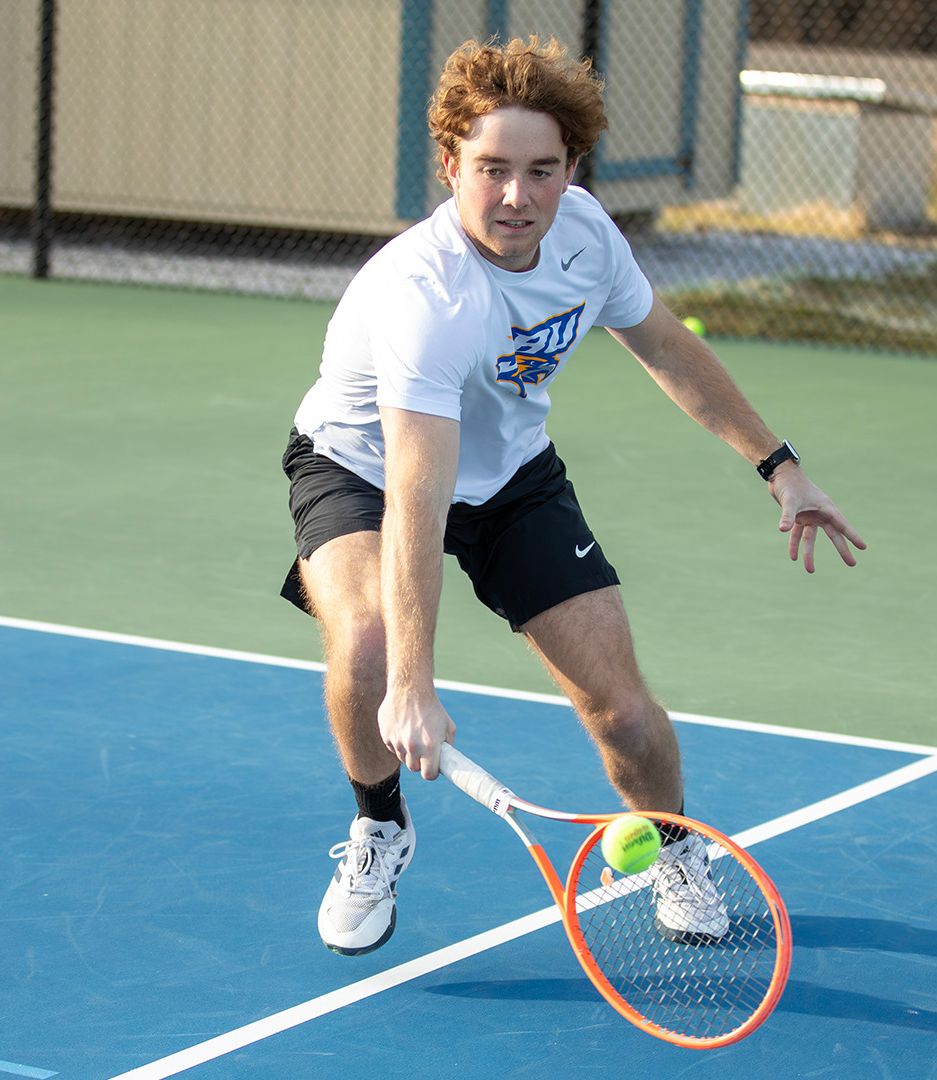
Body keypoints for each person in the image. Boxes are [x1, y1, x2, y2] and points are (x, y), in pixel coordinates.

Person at [280, 37, 864, 956]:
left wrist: (779, 466)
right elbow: (419, 497)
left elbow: (668, 348)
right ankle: (378, 825)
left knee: (623, 711)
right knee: (365, 646)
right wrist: (413, 688)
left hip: (512, 475)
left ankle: (678, 851)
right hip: (364, 468)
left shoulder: (586, 236)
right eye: (492, 170)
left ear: (571, 169)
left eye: (541, 171)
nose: (517, 196)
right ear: (450, 167)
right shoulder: (425, 296)